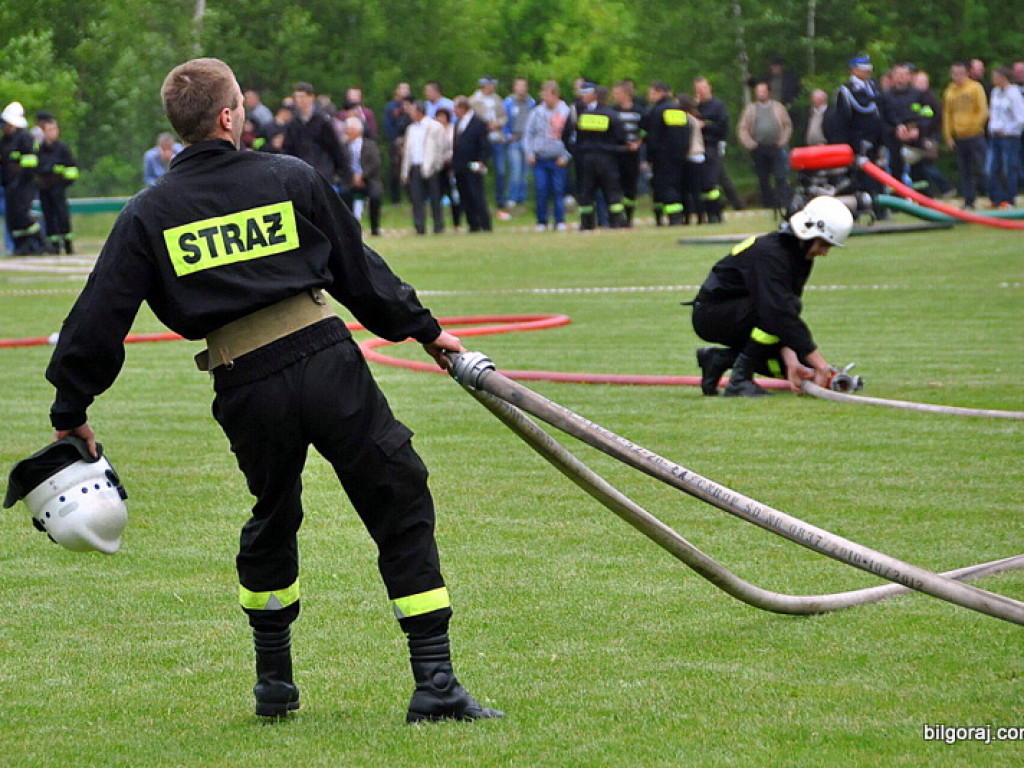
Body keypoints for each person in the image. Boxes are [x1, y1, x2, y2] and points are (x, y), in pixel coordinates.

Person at [42, 57, 502, 724]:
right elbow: (357, 269)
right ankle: (435, 684)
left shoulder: (148, 213)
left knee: (274, 512)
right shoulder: (288, 176)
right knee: (396, 495)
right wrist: (425, 331)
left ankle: (275, 687)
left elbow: (97, 318)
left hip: (244, 382)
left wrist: (70, 412)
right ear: (229, 116)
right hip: (326, 359)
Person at [689, 196, 853, 397]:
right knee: (779, 314)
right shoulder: (772, 253)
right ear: (809, 233)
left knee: (787, 366)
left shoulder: (798, 256)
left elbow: (785, 312)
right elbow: (778, 311)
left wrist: (793, 361)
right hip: (713, 314)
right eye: (824, 244)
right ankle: (739, 381)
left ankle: (719, 360)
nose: (825, 252)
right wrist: (820, 364)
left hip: (743, 311)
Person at [564, 85, 626, 230]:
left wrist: (577, 152)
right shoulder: (612, 115)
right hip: (607, 158)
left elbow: (577, 138)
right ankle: (615, 221)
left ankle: (586, 223)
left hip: (587, 158)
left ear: (596, 97)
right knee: (612, 191)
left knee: (587, 192)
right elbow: (621, 138)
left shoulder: (585, 116)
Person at [283, 82, 352, 208]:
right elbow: (288, 148)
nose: (300, 100)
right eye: (297, 97)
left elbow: (335, 147)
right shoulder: (293, 124)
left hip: (322, 168)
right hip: (301, 168)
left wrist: (344, 171)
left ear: (311, 97)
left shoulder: (323, 121)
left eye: (302, 96)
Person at [522, 80, 571, 231]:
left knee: (558, 189)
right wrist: (529, 152)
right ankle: (541, 220)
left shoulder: (566, 112)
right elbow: (528, 134)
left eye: (547, 95)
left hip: (558, 158)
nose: (544, 98)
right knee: (541, 189)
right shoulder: (536, 112)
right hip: (540, 158)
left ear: (555, 95)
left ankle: (559, 219)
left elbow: (573, 136)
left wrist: (567, 155)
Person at [641, 81, 691, 226]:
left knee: (665, 186)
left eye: (651, 93)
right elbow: (686, 132)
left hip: (662, 156)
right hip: (680, 155)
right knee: (680, 185)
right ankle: (684, 216)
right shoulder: (679, 110)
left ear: (659, 92)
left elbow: (653, 136)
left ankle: (672, 218)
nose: (649, 96)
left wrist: (649, 157)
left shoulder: (656, 111)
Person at [737, 81, 792, 211]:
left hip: (776, 147)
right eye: (758, 91)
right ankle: (768, 204)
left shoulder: (778, 107)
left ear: (768, 92)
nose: (760, 94)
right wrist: (750, 144)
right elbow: (742, 128)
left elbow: (787, 125)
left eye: (763, 91)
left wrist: (783, 141)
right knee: (763, 178)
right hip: (759, 148)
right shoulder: (751, 109)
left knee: (780, 176)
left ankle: (783, 202)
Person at [1, 101, 47, 255]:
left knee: (23, 214)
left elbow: (30, 162)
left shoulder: (24, 138)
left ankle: (40, 242)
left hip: (24, 184)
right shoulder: (6, 140)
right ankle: (21, 246)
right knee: (13, 217)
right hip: (10, 184)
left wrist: (19, 173)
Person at [943, 61, 989, 210]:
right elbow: (947, 115)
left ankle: (997, 196)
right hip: (959, 137)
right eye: (954, 74)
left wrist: (975, 126)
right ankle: (969, 200)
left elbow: (982, 110)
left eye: (960, 74)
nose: (957, 77)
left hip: (975, 135)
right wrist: (948, 136)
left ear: (966, 73)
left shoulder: (975, 88)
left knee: (984, 167)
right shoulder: (950, 91)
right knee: (965, 171)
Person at [400, 99, 447, 234]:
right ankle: (419, 225)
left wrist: (436, 164)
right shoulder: (411, 129)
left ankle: (438, 225)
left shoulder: (434, 127)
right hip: (415, 165)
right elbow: (408, 150)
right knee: (416, 198)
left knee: (435, 196)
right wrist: (405, 170)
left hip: (430, 166)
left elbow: (441, 147)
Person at [34, 114, 80, 254]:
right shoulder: (39, 149)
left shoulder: (63, 149)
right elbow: (36, 168)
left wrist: (60, 176)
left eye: (54, 129)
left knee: (62, 216)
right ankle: (53, 245)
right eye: (49, 129)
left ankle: (68, 244)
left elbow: (72, 170)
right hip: (44, 188)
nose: (53, 132)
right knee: (48, 216)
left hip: (58, 188)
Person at [985, 66, 1024, 208]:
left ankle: (1010, 199)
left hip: (1010, 137)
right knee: (991, 168)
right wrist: (992, 127)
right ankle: (997, 198)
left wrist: (1007, 129)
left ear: (1003, 77)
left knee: (1009, 169)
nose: (993, 79)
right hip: (995, 136)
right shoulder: (995, 92)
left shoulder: (1014, 93)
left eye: (995, 76)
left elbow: (1021, 118)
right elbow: (993, 112)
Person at [452, 96, 492, 232]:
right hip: (460, 165)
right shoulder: (458, 123)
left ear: (462, 108)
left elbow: (484, 145)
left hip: (474, 165)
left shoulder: (478, 123)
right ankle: (473, 223)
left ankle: (485, 223)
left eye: (456, 108)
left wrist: (482, 161)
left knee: (476, 195)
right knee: (465, 195)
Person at [469, 78, 508, 211]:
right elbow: (472, 118)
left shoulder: (497, 99)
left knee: (501, 171)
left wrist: (498, 124)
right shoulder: (474, 100)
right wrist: (484, 125)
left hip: (497, 138)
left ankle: (500, 200)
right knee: (479, 170)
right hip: (481, 140)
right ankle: (479, 199)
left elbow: (504, 117)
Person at [343, 116, 383, 235]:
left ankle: (375, 228)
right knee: (343, 194)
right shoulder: (343, 147)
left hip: (369, 180)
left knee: (375, 196)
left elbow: (375, 163)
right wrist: (352, 177)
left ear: (357, 130)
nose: (347, 132)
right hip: (350, 180)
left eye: (349, 129)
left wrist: (362, 176)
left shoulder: (370, 145)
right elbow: (341, 165)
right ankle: (349, 229)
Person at [612, 80, 645, 227]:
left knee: (630, 186)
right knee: (616, 185)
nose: (615, 96)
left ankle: (629, 216)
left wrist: (638, 143)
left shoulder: (639, 111)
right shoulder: (613, 110)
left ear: (626, 94)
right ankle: (617, 218)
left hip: (633, 154)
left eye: (617, 93)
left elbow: (645, 130)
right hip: (617, 153)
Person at [503, 77, 535, 208]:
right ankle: (512, 197)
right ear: (514, 87)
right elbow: (503, 120)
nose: (521, 89)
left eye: (524, 86)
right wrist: (507, 135)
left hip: (527, 140)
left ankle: (522, 197)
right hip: (514, 140)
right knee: (515, 170)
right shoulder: (508, 102)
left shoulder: (531, 103)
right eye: (519, 86)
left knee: (525, 172)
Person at [384, 82, 412, 204]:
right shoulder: (391, 107)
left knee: (411, 169)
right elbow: (388, 125)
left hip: (410, 142)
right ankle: (396, 199)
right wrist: (395, 140)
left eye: (407, 90)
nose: (404, 92)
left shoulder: (412, 107)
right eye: (402, 90)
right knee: (395, 170)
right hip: (396, 142)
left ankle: (412, 197)